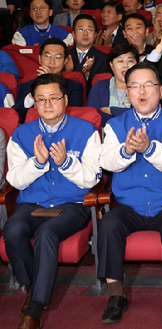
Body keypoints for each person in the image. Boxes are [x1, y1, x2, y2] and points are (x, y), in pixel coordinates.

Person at [4, 73, 101, 329]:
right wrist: (37, 163)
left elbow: (92, 178)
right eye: (41, 100)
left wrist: (65, 163)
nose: (47, 105)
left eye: (53, 98)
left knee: (48, 233)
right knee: (12, 230)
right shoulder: (21, 134)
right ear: (33, 103)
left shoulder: (86, 130)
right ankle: (31, 288)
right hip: (33, 204)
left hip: (72, 205)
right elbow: (15, 179)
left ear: (65, 99)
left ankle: (34, 311)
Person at [98, 62, 162, 324]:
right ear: (127, 93)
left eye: (148, 85)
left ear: (160, 91)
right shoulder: (115, 125)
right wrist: (127, 151)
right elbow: (106, 161)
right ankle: (116, 295)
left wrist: (148, 147)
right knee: (109, 225)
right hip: (129, 203)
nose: (142, 91)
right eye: (135, 86)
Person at [13, 38, 84, 123]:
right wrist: (38, 87)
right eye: (48, 56)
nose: (52, 62)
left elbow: (73, 117)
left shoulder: (74, 86)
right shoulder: (26, 86)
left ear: (65, 61)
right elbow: (16, 117)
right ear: (39, 59)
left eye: (57, 57)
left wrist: (51, 81)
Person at [86, 44, 139, 125]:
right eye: (120, 61)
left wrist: (111, 110)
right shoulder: (99, 86)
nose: (125, 66)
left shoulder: (143, 88)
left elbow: (143, 115)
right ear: (111, 64)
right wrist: (129, 114)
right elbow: (92, 116)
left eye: (130, 61)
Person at [65, 14, 109, 91]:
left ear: (95, 35)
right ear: (73, 34)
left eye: (90, 30)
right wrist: (68, 73)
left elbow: (103, 88)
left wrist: (88, 74)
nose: (85, 34)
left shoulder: (104, 58)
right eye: (81, 29)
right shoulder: (64, 55)